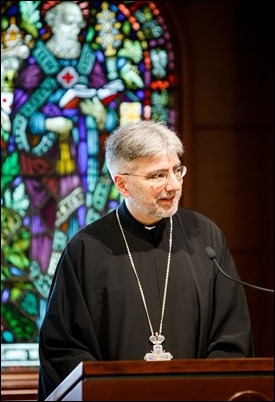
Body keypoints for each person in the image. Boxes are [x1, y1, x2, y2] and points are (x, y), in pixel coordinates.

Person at [38, 120, 254, 400]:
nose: (174, 185)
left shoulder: (205, 237)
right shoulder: (86, 250)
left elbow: (232, 334)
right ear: (122, 184)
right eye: (158, 176)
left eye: (177, 170)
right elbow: (64, 347)